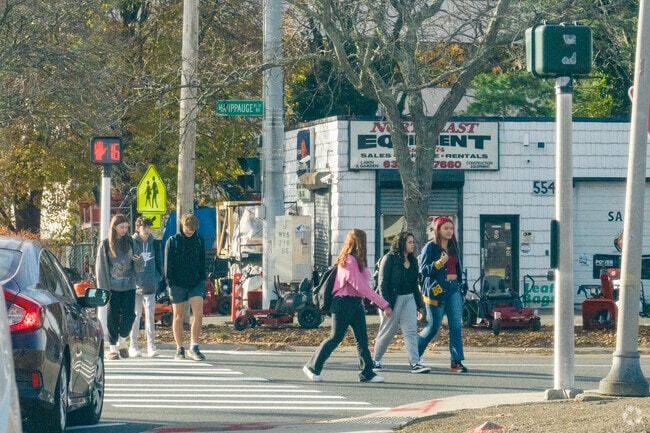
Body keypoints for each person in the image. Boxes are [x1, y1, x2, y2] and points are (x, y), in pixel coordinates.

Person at [303, 228, 392, 383]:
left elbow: (363, 286)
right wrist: (383, 304)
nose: (366, 245)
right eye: (363, 241)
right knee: (336, 337)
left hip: (356, 303)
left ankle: (367, 372)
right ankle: (312, 367)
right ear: (359, 243)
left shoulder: (358, 262)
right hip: (342, 302)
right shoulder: (348, 261)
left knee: (362, 339)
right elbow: (360, 286)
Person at [372, 231, 430, 374]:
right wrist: (385, 305)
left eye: (413, 242)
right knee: (388, 331)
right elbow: (382, 284)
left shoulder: (413, 261)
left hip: (409, 298)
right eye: (410, 242)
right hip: (392, 299)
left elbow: (414, 284)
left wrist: (419, 306)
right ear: (402, 243)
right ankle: (376, 360)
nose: (413, 245)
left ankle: (415, 363)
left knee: (410, 331)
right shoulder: (389, 259)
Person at [417, 216, 467, 373]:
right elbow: (424, 270)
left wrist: (462, 287)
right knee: (433, 326)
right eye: (446, 228)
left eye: (451, 228)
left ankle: (456, 362)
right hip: (436, 290)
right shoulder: (430, 248)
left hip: (453, 289)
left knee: (456, 326)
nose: (449, 231)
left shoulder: (453, 247)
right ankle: (414, 355)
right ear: (437, 230)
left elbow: (458, 269)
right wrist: (439, 263)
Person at [95, 214, 144, 360]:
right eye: (121, 227)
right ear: (114, 227)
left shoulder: (131, 243)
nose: (124, 230)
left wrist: (138, 261)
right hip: (113, 287)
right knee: (112, 316)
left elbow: (140, 267)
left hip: (129, 285)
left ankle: (123, 341)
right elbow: (101, 267)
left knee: (130, 315)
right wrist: (103, 288)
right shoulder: (105, 244)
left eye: (126, 228)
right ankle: (113, 347)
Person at [165, 213, 206, 361]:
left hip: (196, 282)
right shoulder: (173, 241)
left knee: (198, 312)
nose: (189, 232)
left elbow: (203, 261)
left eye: (192, 230)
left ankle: (194, 345)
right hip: (177, 283)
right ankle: (179, 348)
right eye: (187, 229)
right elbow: (167, 265)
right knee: (178, 316)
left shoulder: (199, 240)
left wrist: (202, 278)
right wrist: (169, 283)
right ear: (182, 226)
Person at [129, 216, 163, 358]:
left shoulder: (154, 243)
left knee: (150, 316)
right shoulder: (131, 243)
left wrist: (157, 278)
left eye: (148, 227)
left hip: (150, 284)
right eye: (144, 227)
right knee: (136, 316)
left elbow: (159, 263)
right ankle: (133, 345)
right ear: (138, 228)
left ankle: (151, 346)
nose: (147, 230)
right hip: (135, 285)